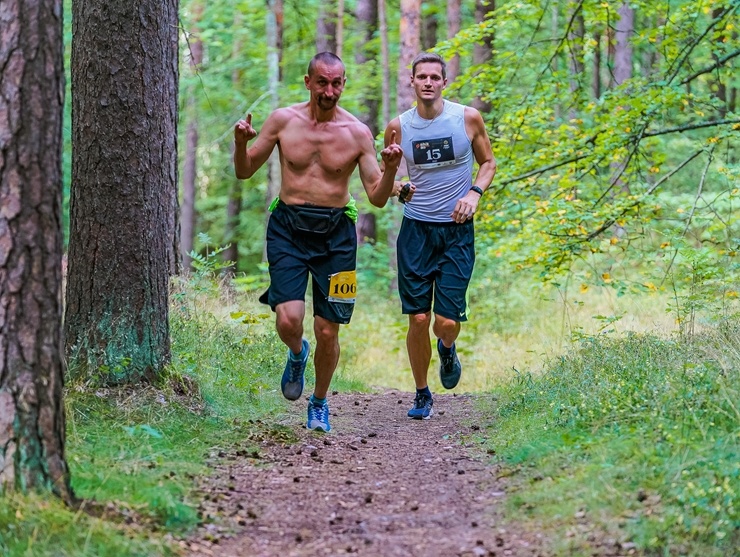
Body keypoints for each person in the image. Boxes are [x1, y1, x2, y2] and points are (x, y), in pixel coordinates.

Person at [234, 52, 404, 432]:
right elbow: (245, 171)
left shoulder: (357, 133)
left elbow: (376, 196)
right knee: (289, 319)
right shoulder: (283, 121)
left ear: (344, 84)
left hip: (337, 236)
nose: (330, 91)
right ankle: (297, 354)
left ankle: (320, 402)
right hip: (287, 228)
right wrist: (238, 143)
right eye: (322, 82)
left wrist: (391, 169)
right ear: (308, 81)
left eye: (337, 83)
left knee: (329, 329)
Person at [383, 52, 497, 420]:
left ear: (445, 82)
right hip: (416, 231)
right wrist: (398, 186)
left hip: (457, 232)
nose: (428, 82)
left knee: (444, 321)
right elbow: (381, 181)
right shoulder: (398, 127)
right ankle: (421, 393)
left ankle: (447, 348)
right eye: (422, 77)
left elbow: (488, 163)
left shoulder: (466, 118)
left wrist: (473, 194)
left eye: (435, 76)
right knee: (417, 319)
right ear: (411, 82)